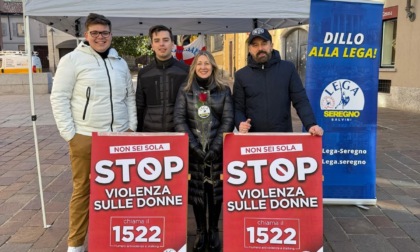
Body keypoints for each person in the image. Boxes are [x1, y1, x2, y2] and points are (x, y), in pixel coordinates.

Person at [50, 13, 137, 252]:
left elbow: (129, 96)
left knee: (119, 191)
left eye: (105, 33)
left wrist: (131, 127)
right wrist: (70, 134)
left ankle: (114, 239)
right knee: (83, 191)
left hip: (119, 137)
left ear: (111, 34)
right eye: (95, 33)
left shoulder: (118, 62)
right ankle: (76, 244)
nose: (101, 37)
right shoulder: (72, 60)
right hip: (85, 137)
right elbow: (59, 97)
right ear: (86, 35)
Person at [174, 51, 234, 252]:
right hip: (194, 151)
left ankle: (214, 230)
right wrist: (194, 147)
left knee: (215, 191)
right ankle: (201, 230)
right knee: (198, 192)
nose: (203, 67)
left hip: (217, 150)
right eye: (199, 63)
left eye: (206, 63)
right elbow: (179, 120)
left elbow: (228, 120)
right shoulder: (186, 90)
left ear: (213, 66)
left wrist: (216, 147)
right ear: (194, 67)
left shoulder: (224, 90)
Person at [233, 27, 324, 136]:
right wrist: (240, 123)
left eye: (264, 43)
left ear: (271, 45)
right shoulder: (241, 75)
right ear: (249, 49)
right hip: (253, 140)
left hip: (282, 140)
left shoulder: (288, 69)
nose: (260, 48)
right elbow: (238, 108)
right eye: (255, 45)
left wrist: (310, 124)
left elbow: (300, 100)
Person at [136, 25, 189, 132]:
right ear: (152, 45)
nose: (161, 44)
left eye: (165, 40)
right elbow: (139, 107)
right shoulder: (144, 73)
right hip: (150, 134)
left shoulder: (186, 71)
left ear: (172, 43)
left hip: (179, 134)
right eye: (156, 40)